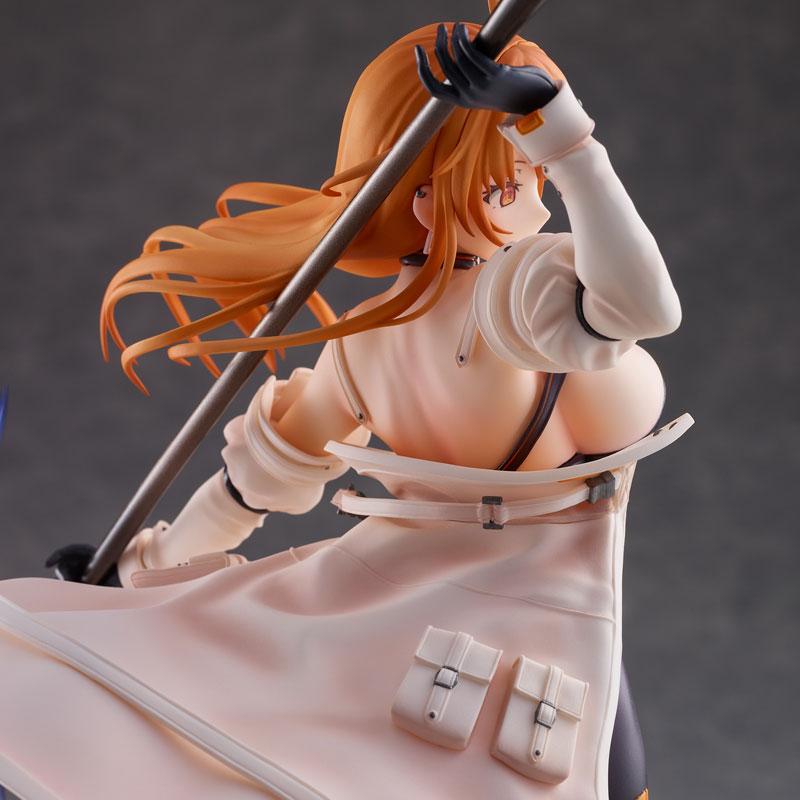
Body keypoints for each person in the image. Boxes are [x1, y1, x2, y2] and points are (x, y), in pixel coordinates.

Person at [0, 14, 684, 800]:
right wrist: (564, 136)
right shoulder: (522, 296)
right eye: (510, 179)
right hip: (522, 631)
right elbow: (644, 307)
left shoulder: (362, 343)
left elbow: (249, 491)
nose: (535, 196)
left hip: (445, 621)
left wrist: (136, 571)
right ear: (431, 198)